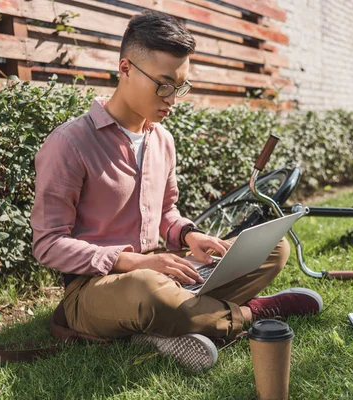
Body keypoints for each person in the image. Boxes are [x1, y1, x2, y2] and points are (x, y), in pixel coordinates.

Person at [30, 10, 323, 372]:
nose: (172, 98)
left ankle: (164, 325)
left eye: (181, 87)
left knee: (271, 249)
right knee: (148, 291)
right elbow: (48, 244)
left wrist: (190, 235)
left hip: (161, 271)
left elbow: (166, 214)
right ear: (125, 69)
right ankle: (252, 312)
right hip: (95, 290)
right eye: (164, 84)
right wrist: (134, 262)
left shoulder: (163, 140)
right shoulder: (69, 143)